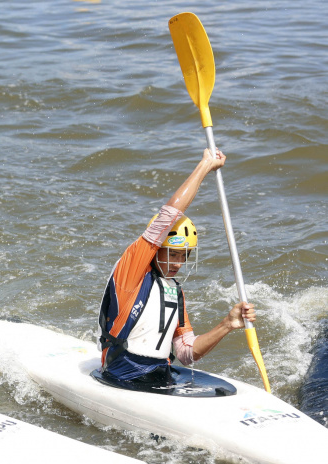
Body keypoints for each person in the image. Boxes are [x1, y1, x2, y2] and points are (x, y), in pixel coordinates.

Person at [98, 149, 256, 388]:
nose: (178, 263)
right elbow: (169, 215)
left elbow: (186, 353)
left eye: (184, 256)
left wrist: (228, 324)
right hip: (120, 374)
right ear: (156, 248)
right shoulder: (131, 270)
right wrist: (205, 165)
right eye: (172, 254)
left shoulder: (174, 291)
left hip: (160, 374)